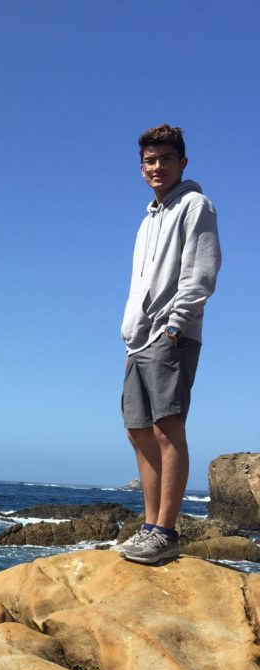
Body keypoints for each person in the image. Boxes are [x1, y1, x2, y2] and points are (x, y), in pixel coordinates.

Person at [117, 124, 221, 564]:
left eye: (163, 159)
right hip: (137, 337)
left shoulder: (195, 206)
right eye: (149, 161)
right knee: (138, 430)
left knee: (166, 426)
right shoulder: (147, 220)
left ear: (182, 161)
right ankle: (149, 526)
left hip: (170, 334)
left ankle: (166, 530)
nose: (156, 167)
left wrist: (175, 325)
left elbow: (201, 271)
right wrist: (131, 330)